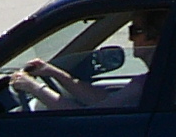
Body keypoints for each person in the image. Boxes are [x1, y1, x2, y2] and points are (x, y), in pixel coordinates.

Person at [11, 7, 166, 110]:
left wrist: (34, 88)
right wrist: (53, 72)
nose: (131, 39)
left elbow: (84, 115)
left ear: (154, 37)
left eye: (135, 31)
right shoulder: (157, 82)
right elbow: (102, 100)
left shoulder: (147, 85)